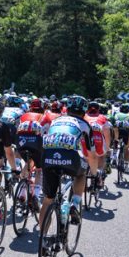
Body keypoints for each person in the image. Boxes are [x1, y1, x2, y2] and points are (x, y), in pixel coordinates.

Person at [40, 95, 93, 239]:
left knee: (48, 199)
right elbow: (91, 152)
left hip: (48, 157)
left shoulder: (55, 120)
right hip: (70, 157)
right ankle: (75, 203)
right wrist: (93, 170)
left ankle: (43, 239)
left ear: (67, 109)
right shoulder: (84, 124)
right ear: (84, 111)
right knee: (82, 173)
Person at [16, 98, 53, 205]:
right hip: (36, 143)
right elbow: (49, 135)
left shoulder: (23, 115)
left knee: (28, 162)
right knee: (39, 169)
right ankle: (36, 195)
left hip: (21, 142)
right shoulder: (46, 116)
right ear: (43, 108)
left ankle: (22, 192)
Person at [84, 101, 112, 187]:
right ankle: (98, 176)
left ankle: (84, 174)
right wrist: (107, 147)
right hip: (98, 142)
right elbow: (107, 135)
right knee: (102, 156)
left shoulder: (83, 117)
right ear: (98, 109)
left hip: (85, 143)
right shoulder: (103, 118)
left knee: (86, 158)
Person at [112, 102, 129, 170]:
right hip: (127, 132)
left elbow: (113, 123)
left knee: (115, 139)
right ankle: (126, 166)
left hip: (117, 131)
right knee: (127, 148)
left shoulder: (116, 114)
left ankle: (114, 156)